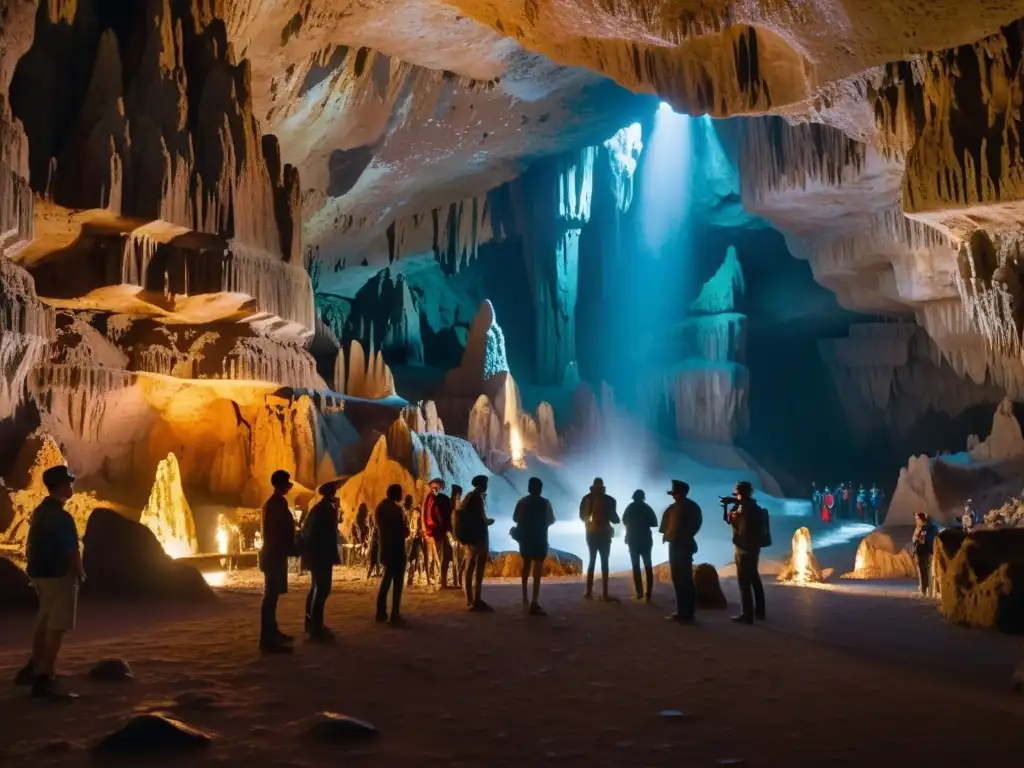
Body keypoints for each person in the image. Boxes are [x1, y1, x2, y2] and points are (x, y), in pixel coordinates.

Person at [15, 465, 84, 700]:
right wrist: (80, 572)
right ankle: (46, 677)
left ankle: (34, 666)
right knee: (57, 625)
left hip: (38, 574)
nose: (70, 487)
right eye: (68, 483)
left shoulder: (40, 511)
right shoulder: (61, 516)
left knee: (44, 619)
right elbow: (71, 550)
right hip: (58, 574)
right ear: (61, 487)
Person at [259, 469, 299, 653]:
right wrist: (293, 546)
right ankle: (267, 639)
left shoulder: (274, 504)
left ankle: (272, 631)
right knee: (270, 596)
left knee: (272, 596)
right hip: (274, 555)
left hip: (274, 554)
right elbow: (279, 532)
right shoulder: (276, 505)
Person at [302, 481, 342, 641]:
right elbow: (328, 534)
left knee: (315, 588)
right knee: (323, 589)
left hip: (314, 554)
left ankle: (310, 623)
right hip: (322, 555)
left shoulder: (317, 509)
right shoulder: (327, 510)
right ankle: (316, 628)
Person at [660, 480, 703, 622]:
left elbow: (664, 528)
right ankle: (688, 612)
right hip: (687, 544)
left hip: (675, 545)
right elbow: (697, 524)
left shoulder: (672, 509)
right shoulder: (693, 507)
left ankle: (681, 611)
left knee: (678, 578)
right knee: (686, 579)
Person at [724, 481, 766, 624]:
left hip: (743, 549)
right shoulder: (754, 506)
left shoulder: (743, 508)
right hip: (754, 547)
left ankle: (746, 614)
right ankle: (760, 612)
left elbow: (735, 523)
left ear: (740, 493)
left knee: (744, 582)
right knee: (754, 579)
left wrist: (730, 511)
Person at [512, 477, 555, 615]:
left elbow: (515, 518)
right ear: (540, 489)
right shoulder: (545, 503)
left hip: (525, 539)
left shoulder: (522, 502)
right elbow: (551, 519)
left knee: (526, 565)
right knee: (537, 569)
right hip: (540, 539)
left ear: (529, 488)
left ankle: (524, 596)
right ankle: (534, 601)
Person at [456, 475, 494, 611]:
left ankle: (472, 599)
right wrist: (485, 522)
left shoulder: (471, 497)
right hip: (478, 537)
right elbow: (478, 517)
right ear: (482, 485)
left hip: (474, 537)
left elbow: (460, 511)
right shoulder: (475, 498)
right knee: (476, 568)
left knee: (471, 567)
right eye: (485, 483)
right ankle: (474, 599)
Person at [578, 478, 619, 601]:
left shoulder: (586, 498)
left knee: (592, 561)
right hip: (605, 534)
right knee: (604, 562)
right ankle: (605, 593)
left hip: (591, 534)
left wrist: (589, 521)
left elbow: (581, 515)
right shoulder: (610, 500)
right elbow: (615, 519)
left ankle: (589, 592)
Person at [375, 484, 409, 625]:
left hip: (385, 548)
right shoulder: (395, 510)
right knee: (397, 584)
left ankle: (381, 612)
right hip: (397, 550)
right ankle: (395, 613)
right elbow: (403, 531)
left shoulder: (380, 507)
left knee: (386, 581)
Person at [622, 489, 658, 601]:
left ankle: (640, 593)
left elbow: (625, 522)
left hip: (633, 540)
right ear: (643, 497)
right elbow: (654, 523)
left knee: (636, 567)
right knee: (647, 567)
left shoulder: (630, 508)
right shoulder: (647, 508)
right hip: (645, 540)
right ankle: (648, 594)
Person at [423, 478, 454, 587]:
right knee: (440, 555)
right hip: (436, 531)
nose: (436, 488)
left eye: (438, 486)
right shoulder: (431, 500)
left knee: (441, 555)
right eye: (434, 486)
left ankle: (442, 579)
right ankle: (441, 580)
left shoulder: (438, 499)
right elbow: (429, 515)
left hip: (439, 530)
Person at [912, 511, 938, 597]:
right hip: (927, 551)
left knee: (924, 572)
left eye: (917, 519)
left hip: (923, 552)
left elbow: (921, 541)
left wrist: (916, 540)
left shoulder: (923, 528)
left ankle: (925, 591)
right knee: (927, 572)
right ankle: (928, 591)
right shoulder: (931, 527)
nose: (916, 520)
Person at [404, 494, 426, 586]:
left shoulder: (409, 512)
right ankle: (411, 575)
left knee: (411, 558)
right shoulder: (412, 512)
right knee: (412, 558)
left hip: (410, 538)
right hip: (411, 538)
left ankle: (411, 576)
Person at [449, 484, 466, 588]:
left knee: (458, 558)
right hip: (454, 534)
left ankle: (457, 579)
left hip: (456, 534)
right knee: (456, 558)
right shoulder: (453, 505)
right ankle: (457, 579)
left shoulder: (456, 504)